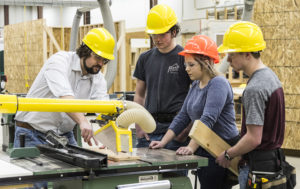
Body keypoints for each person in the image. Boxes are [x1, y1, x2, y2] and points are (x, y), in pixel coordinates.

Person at [150, 35, 240, 189]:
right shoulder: (196, 85)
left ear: (205, 63)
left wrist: (191, 147)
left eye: (191, 64)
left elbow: (207, 119)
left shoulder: (218, 83)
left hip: (220, 148)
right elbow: (183, 116)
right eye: (186, 65)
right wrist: (163, 142)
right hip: (204, 146)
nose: (186, 69)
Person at [14, 27, 115, 148]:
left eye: (105, 60)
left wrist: (109, 138)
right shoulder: (59, 61)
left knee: (82, 165)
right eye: (98, 57)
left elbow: (103, 108)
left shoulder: (97, 78)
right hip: (32, 132)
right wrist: (82, 121)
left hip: (63, 135)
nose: (100, 64)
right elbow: (65, 98)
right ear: (85, 51)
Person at [216, 21, 286, 189]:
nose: (229, 59)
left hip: (258, 167)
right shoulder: (270, 76)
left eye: (232, 54)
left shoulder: (254, 88)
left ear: (248, 54)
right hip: (273, 162)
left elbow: (254, 138)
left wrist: (228, 154)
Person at [133, 4, 191, 150]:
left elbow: (196, 96)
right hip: (148, 130)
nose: (157, 39)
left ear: (174, 32)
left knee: (173, 173)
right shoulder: (144, 58)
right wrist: (139, 127)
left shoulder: (185, 58)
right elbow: (139, 95)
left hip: (175, 130)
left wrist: (184, 131)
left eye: (162, 34)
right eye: (154, 35)